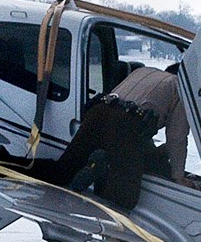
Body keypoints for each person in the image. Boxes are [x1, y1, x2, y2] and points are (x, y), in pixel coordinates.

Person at [31, 63, 191, 210]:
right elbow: (177, 137)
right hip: (125, 124)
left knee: (64, 170)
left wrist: (160, 152)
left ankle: (9, 162)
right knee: (123, 198)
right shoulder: (181, 88)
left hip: (98, 111)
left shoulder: (144, 71)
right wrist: (178, 176)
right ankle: (103, 170)